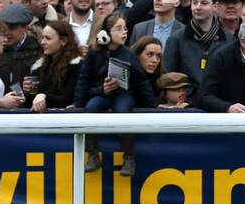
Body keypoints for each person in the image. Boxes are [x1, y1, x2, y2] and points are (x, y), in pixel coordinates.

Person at [75, 12, 155, 175]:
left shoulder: (129, 53)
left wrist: (153, 103)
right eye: (118, 29)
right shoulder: (94, 53)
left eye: (125, 28)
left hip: (123, 94)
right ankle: (92, 155)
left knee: (122, 112)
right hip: (102, 94)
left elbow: (141, 81)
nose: (124, 32)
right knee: (91, 108)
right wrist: (78, 103)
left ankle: (128, 158)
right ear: (106, 32)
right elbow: (84, 79)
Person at [27, 21, 81, 112]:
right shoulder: (38, 66)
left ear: (63, 40)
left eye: (48, 38)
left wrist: (44, 96)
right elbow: (31, 101)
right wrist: (28, 90)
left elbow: (68, 99)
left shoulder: (76, 66)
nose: (42, 42)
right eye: (42, 38)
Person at [0, 3, 40, 91]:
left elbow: (35, 91)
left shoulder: (36, 52)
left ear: (25, 28)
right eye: (4, 27)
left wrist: (23, 91)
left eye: (11, 27)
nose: (6, 32)